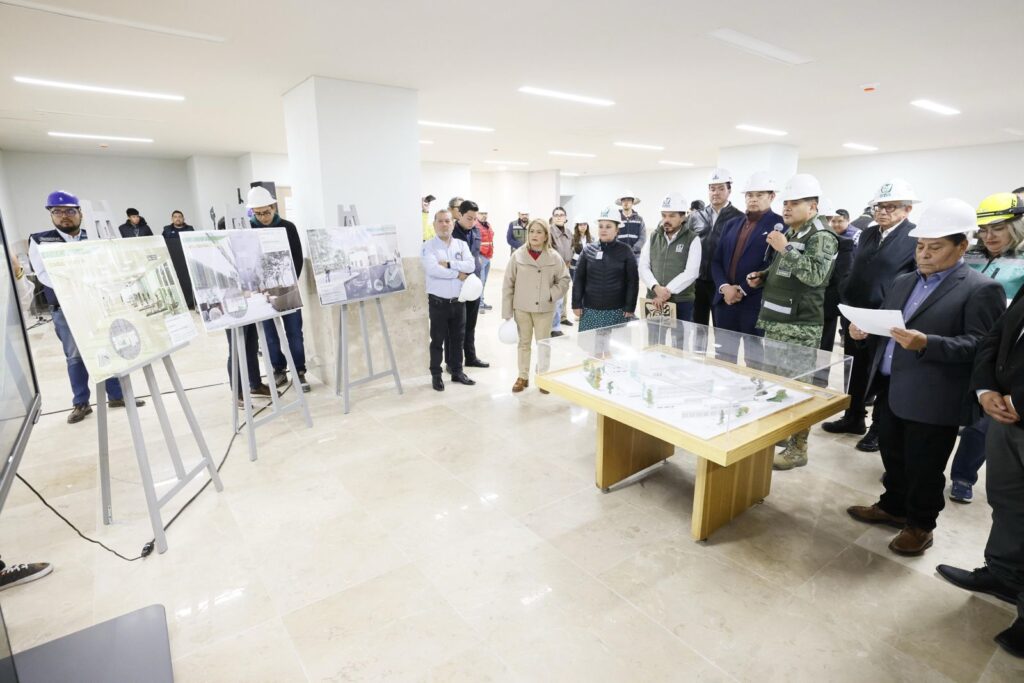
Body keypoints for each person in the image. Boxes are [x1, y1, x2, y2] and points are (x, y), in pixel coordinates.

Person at [846, 198, 1005, 556]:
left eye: (935, 248)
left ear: (961, 246)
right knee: (893, 454)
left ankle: (920, 525)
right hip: (892, 386)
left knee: (925, 465)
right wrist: (866, 331)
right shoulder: (904, 282)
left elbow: (981, 345)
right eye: (921, 246)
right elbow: (892, 325)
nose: (925, 254)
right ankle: (893, 505)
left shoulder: (979, 288)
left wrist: (928, 343)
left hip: (935, 395)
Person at [936, 266, 1024, 659]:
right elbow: (998, 335)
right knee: (1008, 502)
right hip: (1006, 418)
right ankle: (1004, 575)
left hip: (1016, 409)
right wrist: (987, 388)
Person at [746, 174, 837, 471]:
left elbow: (814, 276)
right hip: (776, 321)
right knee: (778, 386)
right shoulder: (793, 232)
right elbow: (784, 269)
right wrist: (763, 276)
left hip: (800, 327)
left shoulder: (821, 236)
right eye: (785, 203)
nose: (786, 208)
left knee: (800, 389)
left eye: (794, 203)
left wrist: (784, 247)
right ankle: (783, 434)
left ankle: (798, 449)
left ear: (813, 207)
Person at [29, 190, 145, 423]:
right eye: (58, 212)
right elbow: (44, 274)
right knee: (75, 356)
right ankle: (81, 403)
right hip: (65, 308)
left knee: (107, 348)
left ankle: (116, 395)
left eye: (70, 211)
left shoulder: (94, 237)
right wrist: (78, 287)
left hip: (99, 305)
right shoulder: (40, 240)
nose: (65, 216)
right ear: (51, 215)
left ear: (80, 212)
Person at [823, 179, 920, 450]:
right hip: (857, 313)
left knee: (881, 373)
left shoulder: (914, 236)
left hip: (887, 316)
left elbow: (910, 281)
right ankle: (853, 417)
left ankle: (878, 428)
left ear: (907, 210)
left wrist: (879, 315)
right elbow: (857, 270)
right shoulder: (868, 233)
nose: (883, 212)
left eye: (890, 207)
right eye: (879, 206)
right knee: (856, 367)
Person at [947, 192, 1024, 503]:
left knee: (982, 423)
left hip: (1000, 354)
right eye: (984, 229)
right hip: (965, 341)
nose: (989, 236)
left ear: (1017, 227)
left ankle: (963, 476)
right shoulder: (971, 257)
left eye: (998, 229)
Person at [711, 171, 782, 356]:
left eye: (759, 195)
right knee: (723, 356)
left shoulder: (779, 225)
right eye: (750, 195)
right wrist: (725, 287)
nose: (753, 199)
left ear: (772, 196)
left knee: (755, 358)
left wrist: (742, 289)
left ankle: (755, 386)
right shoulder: (732, 224)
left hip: (754, 302)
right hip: (725, 301)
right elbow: (717, 260)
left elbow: (773, 265)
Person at [247, 185, 310, 392]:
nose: (263, 217)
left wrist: (290, 282)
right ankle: (278, 369)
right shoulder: (248, 230)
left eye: (266, 211)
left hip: (287, 287)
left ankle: (299, 371)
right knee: (269, 334)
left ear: (274, 207)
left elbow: (297, 257)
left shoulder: (288, 227)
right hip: (263, 293)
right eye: (258, 213)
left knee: (294, 331)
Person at [502, 218, 570, 393]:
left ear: (546, 235)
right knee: (524, 343)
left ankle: (543, 376)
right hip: (522, 308)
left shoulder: (554, 257)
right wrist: (507, 311)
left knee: (543, 343)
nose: (534, 235)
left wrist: (551, 294)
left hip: (544, 309)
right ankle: (522, 376)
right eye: (532, 231)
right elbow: (508, 283)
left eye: (539, 232)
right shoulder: (517, 255)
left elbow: (564, 279)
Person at [422, 209, 476, 391]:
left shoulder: (461, 245)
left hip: (458, 302)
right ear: (434, 224)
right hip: (438, 303)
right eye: (440, 221)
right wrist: (458, 274)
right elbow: (433, 270)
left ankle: (457, 372)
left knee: (457, 339)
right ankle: (436, 375)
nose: (444, 225)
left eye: (447, 221)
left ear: (453, 223)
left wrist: (450, 264)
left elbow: (471, 265)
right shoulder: (428, 246)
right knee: (437, 341)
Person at [572, 206, 639, 332]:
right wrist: (576, 304)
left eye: (608, 226)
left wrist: (630, 306)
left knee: (614, 348)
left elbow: (632, 282)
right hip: (590, 309)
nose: (603, 230)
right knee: (592, 349)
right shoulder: (588, 250)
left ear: (617, 229)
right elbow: (578, 279)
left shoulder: (626, 251)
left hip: (617, 310)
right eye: (600, 226)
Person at [639, 192, 701, 322]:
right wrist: (655, 287)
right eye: (664, 215)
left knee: (679, 341)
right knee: (654, 339)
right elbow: (643, 265)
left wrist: (666, 292)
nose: (666, 220)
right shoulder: (654, 236)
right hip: (654, 299)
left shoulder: (693, 239)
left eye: (672, 216)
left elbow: (691, 272)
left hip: (681, 301)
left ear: (683, 217)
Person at [694, 168, 744, 327]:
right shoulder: (696, 216)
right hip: (697, 282)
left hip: (722, 283)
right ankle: (698, 353)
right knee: (697, 327)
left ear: (729, 190)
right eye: (712, 189)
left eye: (721, 188)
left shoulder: (740, 218)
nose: (716, 193)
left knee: (721, 329)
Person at [451, 200, 489, 370]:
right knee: (456, 326)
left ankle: (470, 357)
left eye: (474, 218)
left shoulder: (476, 230)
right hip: (457, 285)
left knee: (471, 324)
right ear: (459, 214)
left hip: (474, 283)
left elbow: (475, 255)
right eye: (469, 218)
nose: (472, 221)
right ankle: (453, 362)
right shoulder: (451, 233)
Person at [820, 203, 857, 352]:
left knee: (823, 348)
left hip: (828, 303)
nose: (835, 224)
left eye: (839, 221)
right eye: (833, 221)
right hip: (803, 306)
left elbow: (844, 276)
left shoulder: (848, 242)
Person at [162, 210, 196, 310]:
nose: (178, 218)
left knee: (190, 282)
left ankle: (192, 303)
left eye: (180, 216)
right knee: (177, 283)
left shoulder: (190, 230)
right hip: (174, 262)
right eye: (175, 217)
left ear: (183, 218)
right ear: (172, 219)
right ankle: (182, 304)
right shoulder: (166, 231)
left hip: (188, 261)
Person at [549, 206, 574, 335]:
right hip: (554, 270)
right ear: (553, 218)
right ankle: (554, 328)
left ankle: (557, 323)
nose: (559, 217)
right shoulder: (549, 232)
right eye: (556, 215)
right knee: (556, 300)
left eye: (561, 215)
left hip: (566, 268)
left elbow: (571, 248)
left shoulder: (569, 233)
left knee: (562, 299)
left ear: (565, 218)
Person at [616, 192, 646, 257]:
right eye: (623, 200)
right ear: (621, 202)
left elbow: (642, 238)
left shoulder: (639, 219)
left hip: (636, 255)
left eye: (628, 200)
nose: (626, 202)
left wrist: (633, 249)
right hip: (619, 255)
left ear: (632, 202)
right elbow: (613, 236)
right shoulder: (616, 219)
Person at [475, 209, 494, 310]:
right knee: (480, 282)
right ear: (477, 214)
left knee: (484, 281)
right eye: (482, 213)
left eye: (485, 213)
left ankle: (481, 301)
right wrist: (477, 256)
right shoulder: (475, 226)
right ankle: (479, 304)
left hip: (487, 256)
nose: (484, 215)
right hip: (480, 257)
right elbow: (474, 243)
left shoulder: (487, 225)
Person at [570, 216, 593, 281]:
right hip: (575, 265)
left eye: (585, 224)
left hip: (587, 265)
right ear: (577, 226)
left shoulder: (591, 238)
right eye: (580, 224)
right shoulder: (572, 238)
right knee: (576, 285)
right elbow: (570, 253)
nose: (583, 226)